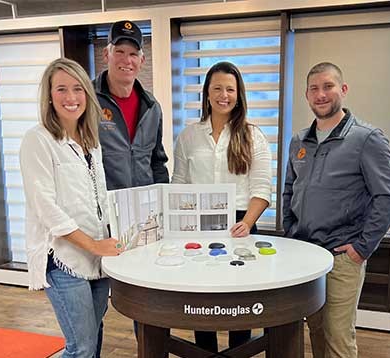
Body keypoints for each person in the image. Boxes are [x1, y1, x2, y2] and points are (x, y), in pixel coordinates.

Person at [282, 62, 390, 358]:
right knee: (316, 329)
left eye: (328, 86)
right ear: (307, 96)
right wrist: (290, 232)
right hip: (305, 256)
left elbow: (388, 196)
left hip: (341, 258)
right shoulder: (299, 140)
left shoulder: (367, 138)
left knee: (338, 336)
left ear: (343, 90)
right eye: (314, 89)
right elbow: (289, 189)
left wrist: (361, 248)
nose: (321, 94)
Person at [20, 58, 124, 358]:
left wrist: (113, 235)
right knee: (81, 347)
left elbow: (100, 197)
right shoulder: (37, 140)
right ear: (49, 96)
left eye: (78, 88)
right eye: (61, 89)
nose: (71, 97)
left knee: (95, 332)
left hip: (97, 256)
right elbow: (46, 208)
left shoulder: (91, 139)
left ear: (87, 96)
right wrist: (92, 244)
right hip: (63, 258)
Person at [172, 61, 272, 352]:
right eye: (217, 88)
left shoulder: (254, 136)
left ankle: (238, 350)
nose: (223, 95)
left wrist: (248, 223)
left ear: (239, 95)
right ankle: (205, 350)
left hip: (241, 223)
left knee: (239, 299)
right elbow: (179, 183)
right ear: (206, 93)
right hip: (199, 223)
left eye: (230, 89)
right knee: (202, 296)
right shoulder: (188, 136)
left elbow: (262, 188)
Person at [94, 20, 169, 190]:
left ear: (142, 60)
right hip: (105, 209)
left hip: (145, 208)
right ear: (106, 54)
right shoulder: (88, 100)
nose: (126, 60)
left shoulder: (152, 107)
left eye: (133, 54)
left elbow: (157, 162)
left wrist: (164, 199)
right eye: (119, 51)